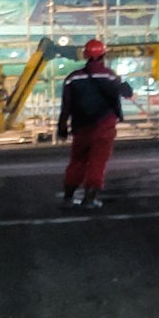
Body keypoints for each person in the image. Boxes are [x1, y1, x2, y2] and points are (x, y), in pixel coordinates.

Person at [57, 38, 133, 209]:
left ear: (85, 55)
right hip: (104, 127)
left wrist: (62, 127)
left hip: (80, 127)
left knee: (77, 161)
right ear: (103, 55)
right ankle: (90, 198)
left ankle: (68, 195)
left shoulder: (72, 78)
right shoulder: (110, 76)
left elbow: (66, 106)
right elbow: (127, 93)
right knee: (97, 162)